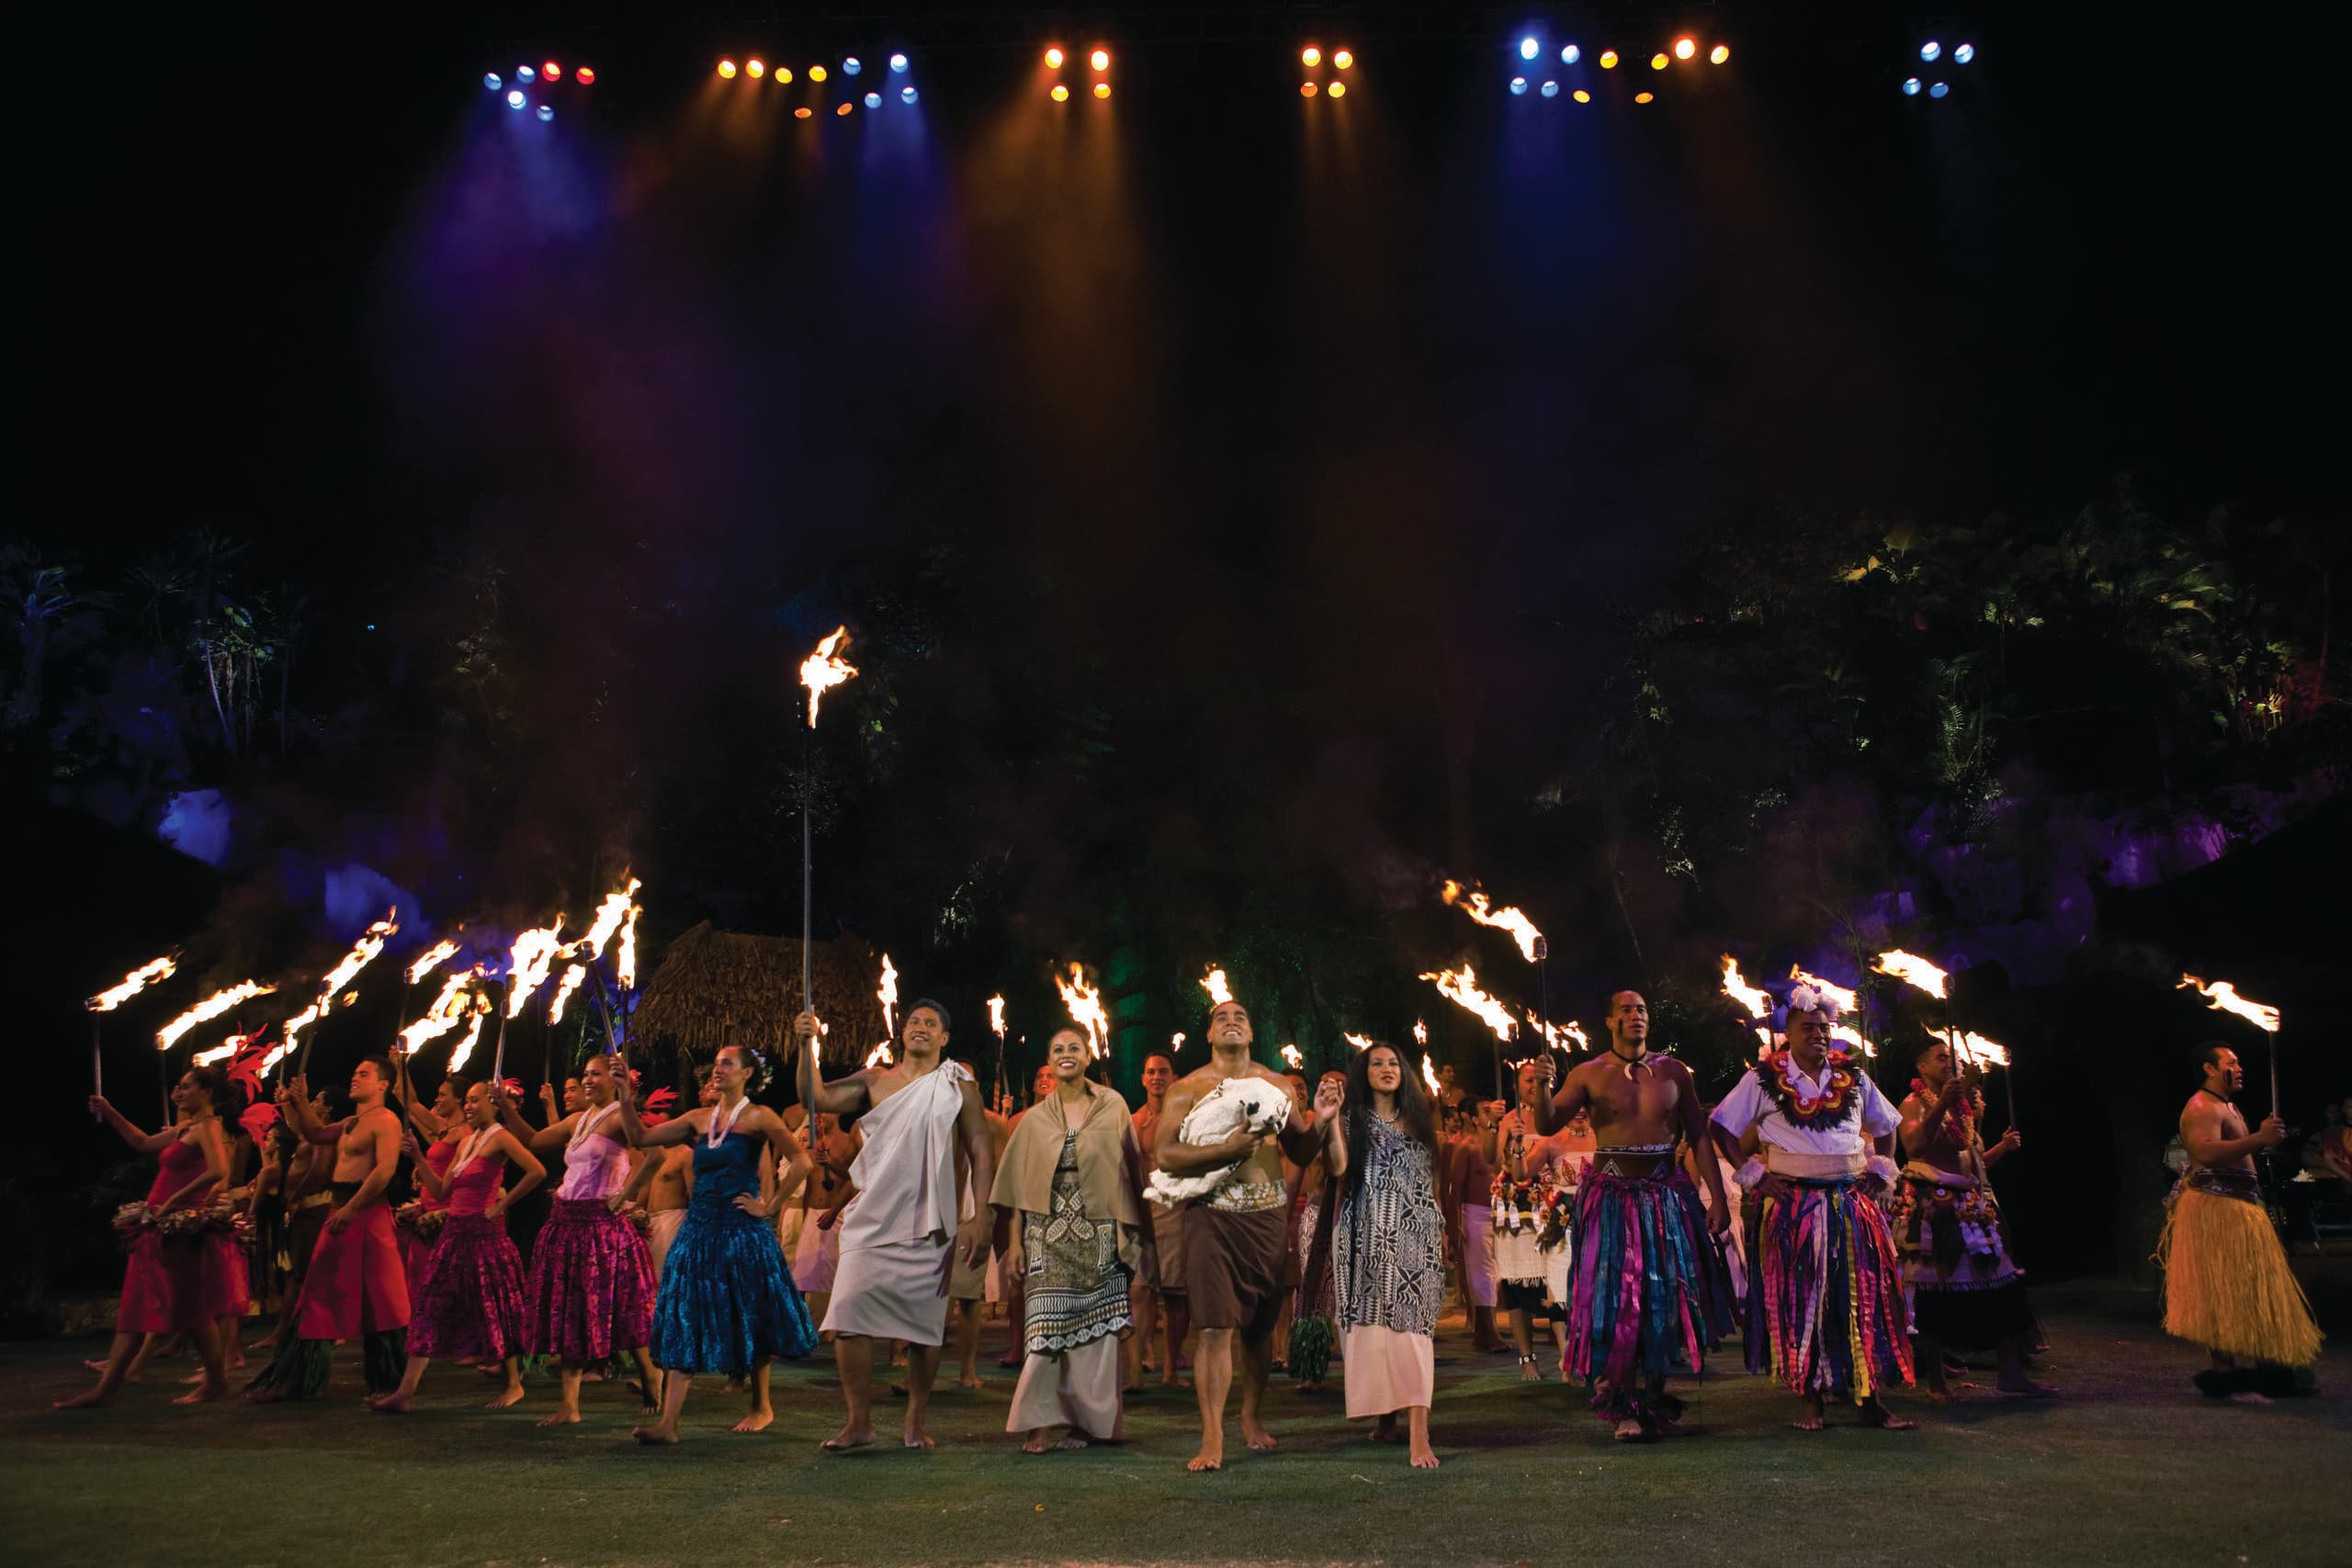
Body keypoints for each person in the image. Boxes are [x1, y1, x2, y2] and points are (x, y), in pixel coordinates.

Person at [796, 998, 997, 1452]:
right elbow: (815, 1097)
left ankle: (915, 1419)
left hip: (929, 1221)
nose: (920, 1027)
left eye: (931, 1023)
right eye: (913, 1022)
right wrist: (806, 1046)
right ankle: (858, 1422)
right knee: (848, 1316)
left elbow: (981, 1148)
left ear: (945, 1038)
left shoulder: (958, 1085)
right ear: (901, 1033)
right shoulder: (874, 1081)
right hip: (871, 1218)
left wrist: (980, 1214)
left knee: (925, 1327)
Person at [1531, 991, 1733, 1441]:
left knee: (1666, 1296)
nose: (1634, 1015)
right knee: (1615, 1301)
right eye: (1625, 1009)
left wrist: (1718, 1199)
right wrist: (1544, 1086)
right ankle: (1621, 1401)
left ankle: (1654, 1396)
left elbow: (1699, 1137)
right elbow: (1546, 1125)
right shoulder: (1588, 1073)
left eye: (1641, 1009)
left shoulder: (1674, 1071)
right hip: (1611, 1199)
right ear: (1610, 1020)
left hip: (1666, 1194)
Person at [1710, 987, 1912, 1431]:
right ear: (1788, 1034)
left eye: (1824, 1028)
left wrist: (1882, 1166)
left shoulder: (1854, 1078)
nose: (1819, 1035)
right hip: (1795, 1207)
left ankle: (1869, 1399)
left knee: (1863, 1301)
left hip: (1851, 1203)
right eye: (1808, 1028)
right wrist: (1754, 1173)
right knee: (1803, 1304)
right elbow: (1721, 1127)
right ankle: (1811, 1401)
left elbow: (1887, 1124)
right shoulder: (1762, 1080)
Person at [621, 1043, 817, 1442]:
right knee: (683, 1313)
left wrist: (771, 1206)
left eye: (728, 1063)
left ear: (747, 1073)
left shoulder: (760, 1116)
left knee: (753, 1311)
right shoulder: (697, 1119)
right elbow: (639, 1136)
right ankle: (668, 1424)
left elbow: (802, 1162)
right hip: (699, 1230)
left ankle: (762, 1405)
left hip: (744, 1229)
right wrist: (626, 1098)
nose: (717, 1069)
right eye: (716, 1063)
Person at [1154, 997, 1317, 1472]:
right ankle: (1211, 1436)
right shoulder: (1186, 1089)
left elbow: (1301, 1150)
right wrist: (1224, 1150)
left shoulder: (1275, 1083)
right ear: (1209, 1035)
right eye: (1220, 1018)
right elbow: (1166, 1155)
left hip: (1265, 1218)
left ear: (1251, 1032)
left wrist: (1324, 1119)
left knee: (1259, 1330)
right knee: (1212, 1327)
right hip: (1209, 1216)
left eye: (1240, 1017)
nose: (1230, 1022)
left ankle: (1250, 1417)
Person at [990, 1024, 1152, 1451]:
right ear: (1051, 1058)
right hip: (1045, 1235)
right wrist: (1014, 1243)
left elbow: (1131, 1170)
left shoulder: (1112, 1105)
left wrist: (1133, 1232)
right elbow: (1017, 1188)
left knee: (1098, 1336)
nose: (1067, 1054)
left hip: (1100, 1231)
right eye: (1058, 1048)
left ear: (1087, 1057)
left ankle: (1089, 1424)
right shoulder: (1035, 1119)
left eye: (1074, 1048)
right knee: (1043, 1329)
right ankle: (1038, 1422)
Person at [60, 1068, 240, 1408]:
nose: (180, 1091)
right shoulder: (185, 1128)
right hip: (159, 1226)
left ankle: (214, 1382)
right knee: (147, 1304)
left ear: (207, 1091)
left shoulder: (208, 1127)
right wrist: (109, 1111)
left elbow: (220, 1172)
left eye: (187, 1087)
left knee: (193, 1310)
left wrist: (174, 1200)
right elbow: (142, 1143)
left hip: (178, 1226)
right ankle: (107, 1389)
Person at [500, 1053, 660, 1427]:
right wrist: (507, 1109)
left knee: (621, 1309)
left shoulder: (622, 1116)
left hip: (603, 1229)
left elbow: (656, 1156)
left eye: (596, 1075)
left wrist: (627, 1193)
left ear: (614, 1078)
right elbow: (535, 1140)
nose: (588, 1081)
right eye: (585, 1075)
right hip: (567, 1224)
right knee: (569, 1312)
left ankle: (651, 1374)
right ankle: (569, 1405)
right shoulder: (578, 1120)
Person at [2159, 1043, 2323, 1400]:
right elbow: (2205, 1151)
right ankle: (2226, 1372)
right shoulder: (2201, 1106)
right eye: (2231, 1062)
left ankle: (2262, 1366)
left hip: (2239, 1207)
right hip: (2216, 1208)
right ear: (2209, 1068)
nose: (2240, 1068)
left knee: (2250, 1287)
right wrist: (2259, 1139)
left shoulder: (2226, 1106)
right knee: (2219, 1289)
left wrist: (2262, 1142)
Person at [371, 1080, 547, 1412]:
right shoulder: (466, 1142)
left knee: (495, 1309)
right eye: (466, 1101)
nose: (468, 1106)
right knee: (429, 1306)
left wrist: (501, 1205)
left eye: (476, 1100)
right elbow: (440, 1190)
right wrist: (419, 1158)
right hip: (455, 1233)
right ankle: (404, 1393)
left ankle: (513, 1385)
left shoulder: (500, 1137)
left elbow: (537, 1171)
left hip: (485, 1236)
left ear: (494, 1105)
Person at [1895, 1038, 2054, 1400]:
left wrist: (1998, 1145)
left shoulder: (1963, 1111)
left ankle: (2011, 1373)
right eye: (1940, 1058)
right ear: (1921, 1068)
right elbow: (1916, 1147)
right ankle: (1936, 1382)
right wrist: (1943, 1106)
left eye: (1950, 1056)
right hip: (1936, 1208)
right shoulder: (1912, 1104)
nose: (1948, 1061)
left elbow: (1974, 1161)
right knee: (1935, 1293)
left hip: (1971, 1206)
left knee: (2005, 1286)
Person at [248, 1058, 412, 1401]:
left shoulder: (386, 1120)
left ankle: (389, 1381)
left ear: (383, 1085)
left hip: (367, 1215)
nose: (354, 1078)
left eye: (363, 1074)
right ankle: (299, 1380)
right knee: (318, 1293)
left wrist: (352, 1209)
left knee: (381, 1301)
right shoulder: (353, 1121)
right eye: (354, 1072)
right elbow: (315, 1133)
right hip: (341, 1212)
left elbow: (384, 1171)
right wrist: (300, 1101)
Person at [1320, 1043, 1443, 1468]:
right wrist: (1331, 1121)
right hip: (1364, 1235)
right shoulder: (1352, 1120)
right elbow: (1337, 1167)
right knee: (1373, 1330)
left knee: (1412, 1331)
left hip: (1415, 1237)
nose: (1387, 1069)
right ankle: (1387, 1419)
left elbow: (1431, 1181)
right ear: (1363, 1073)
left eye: (1394, 1063)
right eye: (1377, 1063)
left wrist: (1439, 1226)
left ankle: (1419, 1432)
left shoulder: (1420, 1121)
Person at [1491, 1060, 1574, 1382]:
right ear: (1518, 1085)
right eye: (1527, 1081)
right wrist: (1509, 1139)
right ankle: (1528, 1359)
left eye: (1539, 1080)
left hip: (1555, 1210)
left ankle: (1567, 1356)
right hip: (1519, 1213)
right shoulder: (1511, 1119)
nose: (1533, 1086)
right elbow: (1500, 1163)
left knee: (1558, 1284)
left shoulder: (1560, 1117)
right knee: (1518, 1287)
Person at [1131, 1051, 1193, 1387]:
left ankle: (1170, 1368)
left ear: (1173, 1078)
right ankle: (1137, 1371)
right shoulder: (1132, 1119)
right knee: (1139, 1292)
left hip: (1176, 1210)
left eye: (1163, 1072)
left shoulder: (1187, 1120)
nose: (1156, 1077)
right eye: (1151, 1071)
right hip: (1143, 1211)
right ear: (1143, 1078)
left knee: (1175, 1295)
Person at [1288, 1069, 1346, 1391]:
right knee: (1314, 1291)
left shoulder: (1356, 1128)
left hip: (1351, 1218)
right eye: (1327, 1084)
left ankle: (1361, 1367)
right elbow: (1296, 1175)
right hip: (1315, 1214)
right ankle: (1311, 1366)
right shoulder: (1312, 1127)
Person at [391, 1057, 466, 1300]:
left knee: (437, 1285)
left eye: (443, 1095)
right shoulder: (444, 1129)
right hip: (428, 1208)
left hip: (444, 1215)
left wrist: (418, 1160)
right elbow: (409, 1101)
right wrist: (401, 1066)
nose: (437, 1099)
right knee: (419, 1280)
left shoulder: (467, 1134)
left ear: (459, 1100)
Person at [628, 1071, 707, 1281]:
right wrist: (631, 1213)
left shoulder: (685, 1154)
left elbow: (695, 1196)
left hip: (674, 1221)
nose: (656, 1130)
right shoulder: (652, 1155)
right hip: (648, 1224)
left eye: (661, 1125)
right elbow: (644, 1190)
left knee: (667, 1280)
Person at [1446, 1099, 1501, 1351]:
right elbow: (1452, 1189)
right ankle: (1485, 1331)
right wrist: (1453, 1225)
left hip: (1502, 1214)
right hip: (1476, 1214)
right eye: (1486, 1111)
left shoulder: (1504, 1144)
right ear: (1475, 1119)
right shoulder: (1466, 1148)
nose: (1492, 1114)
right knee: (1482, 1273)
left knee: (1497, 1273)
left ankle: (1489, 1328)